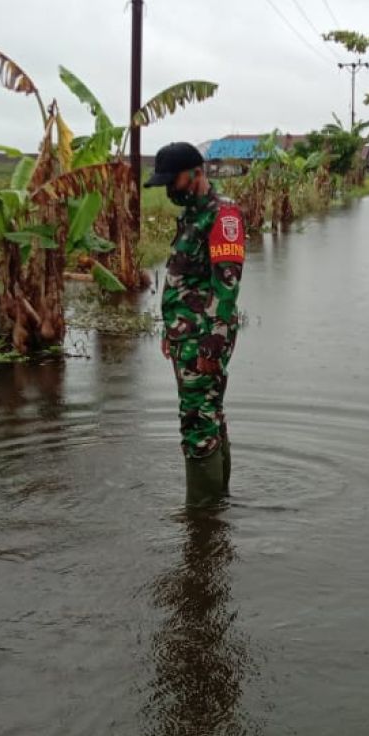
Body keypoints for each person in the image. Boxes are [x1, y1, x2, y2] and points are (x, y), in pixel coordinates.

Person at [144, 142, 245, 506]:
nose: (170, 190)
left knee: (197, 421)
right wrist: (171, 333)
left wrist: (212, 341)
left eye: (175, 181)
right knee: (209, 413)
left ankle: (201, 519)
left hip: (205, 337)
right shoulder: (192, 217)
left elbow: (227, 282)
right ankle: (218, 506)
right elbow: (185, 281)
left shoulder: (223, 217)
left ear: (197, 173)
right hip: (187, 336)